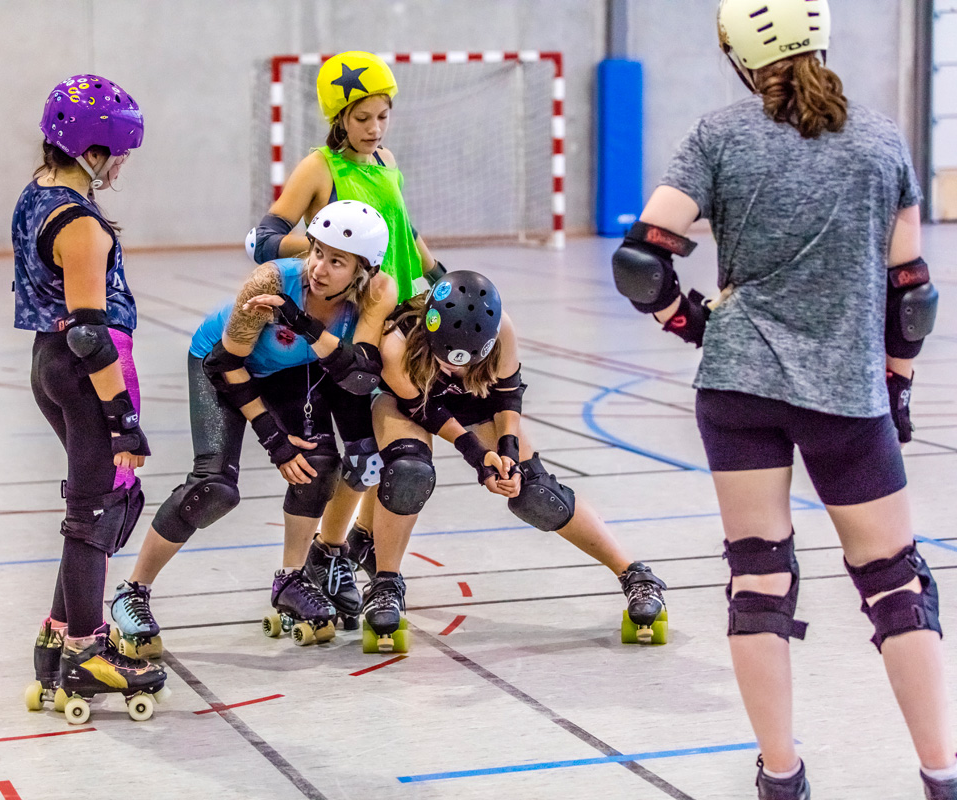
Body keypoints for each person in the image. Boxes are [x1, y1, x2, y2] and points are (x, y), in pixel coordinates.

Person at [613, 1, 950, 795]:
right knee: (895, 583)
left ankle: (781, 774)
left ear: (738, 54)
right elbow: (911, 296)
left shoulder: (718, 135)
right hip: (846, 391)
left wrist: (691, 322)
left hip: (739, 388)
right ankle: (942, 775)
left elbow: (641, 262)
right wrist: (897, 385)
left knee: (759, 580)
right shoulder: (880, 140)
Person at [112, 200, 398, 649]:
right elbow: (226, 364)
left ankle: (290, 579)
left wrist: (302, 323)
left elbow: (360, 376)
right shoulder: (271, 283)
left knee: (318, 465)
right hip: (221, 364)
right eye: (317, 252)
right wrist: (274, 439)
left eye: (336, 261)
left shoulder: (378, 290)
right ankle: (132, 590)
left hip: (287, 369)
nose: (318, 268)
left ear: (363, 270)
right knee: (215, 487)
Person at [366, 270, 669, 653]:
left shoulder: (501, 327)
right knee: (409, 472)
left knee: (536, 492)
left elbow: (507, 395)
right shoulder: (397, 340)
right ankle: (386, 584)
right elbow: (427, 411)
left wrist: (507, 452)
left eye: (465, 362)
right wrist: (478, 456)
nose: (454, 370)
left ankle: (637, 576)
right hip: (410, 401)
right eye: (448, 361)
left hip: (471, 399)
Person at [247, 51, 448, 619]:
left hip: (402, 313)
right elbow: (264, 239)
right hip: (353, 324)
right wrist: (335, 242)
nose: (375, 128)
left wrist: (443, 281)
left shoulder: (386, 160)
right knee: (366, 451)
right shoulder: (319, 167)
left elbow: (403, 232)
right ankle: (328, 552)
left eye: (383, 116)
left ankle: (349, 546)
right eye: (363, 118)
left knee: (395, 452)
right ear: (339, 117)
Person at [14, 75, 166, 724]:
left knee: (99, 505)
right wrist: (123, 420)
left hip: (50, 364)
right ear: (91, 150)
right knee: (96, 513)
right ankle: (85, 651)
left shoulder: (38, 194)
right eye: (119, 153)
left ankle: (56, 638)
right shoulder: (79, 225)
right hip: (84, 373)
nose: (123, 164)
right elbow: (89, 334)